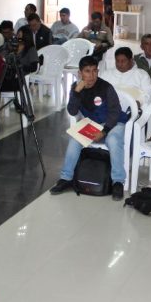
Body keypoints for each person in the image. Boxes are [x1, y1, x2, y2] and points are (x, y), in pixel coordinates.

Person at [49, 55, 127, 200]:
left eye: (94, 71)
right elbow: (72, 111)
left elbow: (115, 112)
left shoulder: (106, 87)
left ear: (98, 71)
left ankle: (118, 182)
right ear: (80, 73)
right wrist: (76, 93)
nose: (91, 76)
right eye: (87, 71)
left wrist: (104, 131)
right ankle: (66, 179)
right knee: (74, 141)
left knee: (113, 141)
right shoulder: (77, 88)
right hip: (92, 125)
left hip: (113, 123)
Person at [0, 26, 38, 93]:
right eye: (17, 35)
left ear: (26, 36)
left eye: (19, 35)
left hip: (22, 79)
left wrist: (19, 67)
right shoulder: (14, 47)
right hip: (10, 76)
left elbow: (34, 67)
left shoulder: (31, 49)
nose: (17, 37)